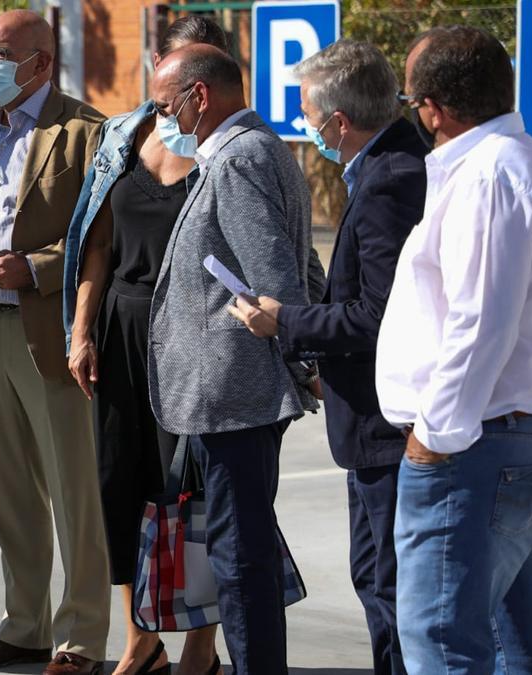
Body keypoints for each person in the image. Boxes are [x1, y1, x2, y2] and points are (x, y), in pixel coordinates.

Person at [376, 25, 532, 674]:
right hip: (516, 430)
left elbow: (479, 324)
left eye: (412, 103)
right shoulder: (524, 165)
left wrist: (433, 437)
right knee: (513, 630)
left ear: (436, 107)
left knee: (440, 642)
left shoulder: (489, 176)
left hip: (477, 441)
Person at [228, 39, 427, 675]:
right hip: (369, 413)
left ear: (339, 120)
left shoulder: (389, 182)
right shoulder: (384, 167)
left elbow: (378, 314)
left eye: (310, 115)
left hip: (387, 423)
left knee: (390, 587)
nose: (307, 128)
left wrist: (284, 321)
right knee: (376, 575)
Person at [0, 10, 110, 675]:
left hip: (55, 334)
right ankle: (26, 624)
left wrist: (36, 267)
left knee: (74, 493)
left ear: (41, 61)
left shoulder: (85, 133)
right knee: (7, 490)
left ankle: (80, 638)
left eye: (1, 52)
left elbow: (102, 239)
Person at [62, 15, 232, 675]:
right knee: (122, 484)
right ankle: (141, 638)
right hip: (124, 328)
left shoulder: (231, 143)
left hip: (198, 335)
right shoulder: (123, 133)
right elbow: (96, 241)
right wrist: (81, 331)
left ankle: (200, 643)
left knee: (192, 491)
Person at [146, 44, 319, 675]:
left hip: (236, 392)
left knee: (240, 557)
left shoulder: (240, 157)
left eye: (166, 107)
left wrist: (300, 358)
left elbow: (277, 279)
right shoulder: (249, 150)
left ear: (200, 96)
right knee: (237, 548)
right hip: (227, 391)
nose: (161, 121)